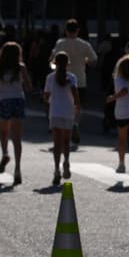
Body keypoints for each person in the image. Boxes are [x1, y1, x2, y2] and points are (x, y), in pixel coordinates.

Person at [0, 41, 33, 185]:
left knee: (4, 132)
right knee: (17, 138)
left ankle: (5, 154)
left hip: (4, 100)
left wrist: (2, 88)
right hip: (18, 100)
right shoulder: (21, 68)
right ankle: (17, 170)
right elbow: (28, 86)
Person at [50, 18, 97, 147]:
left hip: (62, 78)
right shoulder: (85, 44)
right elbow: (94, 60)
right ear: (78, 31)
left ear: (65, 30)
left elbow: (52, 59)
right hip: (80, 79)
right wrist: (84, 61)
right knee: (77, 105)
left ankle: (61, 127)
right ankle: (75, 124)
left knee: (62, 103)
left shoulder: (60, 43)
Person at [43, 51, 80, 185]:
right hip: (68, 112)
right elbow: (75, 95)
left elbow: (46, 97)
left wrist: (48, 102)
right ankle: (66, 161)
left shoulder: (50, 77)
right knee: (66, 142)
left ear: (55, 63)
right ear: (67, 63)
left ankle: (56, 170)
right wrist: (78, 108)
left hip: (55, 112)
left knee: (56, 144)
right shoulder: (72, 77)